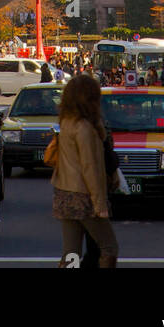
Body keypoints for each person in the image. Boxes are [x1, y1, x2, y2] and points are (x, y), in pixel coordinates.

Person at [53, 73, 119, 269]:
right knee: (109, 247)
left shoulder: (66, 122)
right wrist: (100, 204)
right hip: (84, 196)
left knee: (71, 254)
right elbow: (90, 167)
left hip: (65, 192)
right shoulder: (84, 128)